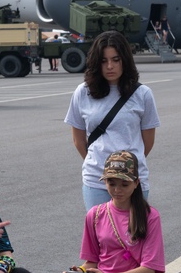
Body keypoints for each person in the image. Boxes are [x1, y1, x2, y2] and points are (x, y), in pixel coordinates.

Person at [65, 151, 165, 273]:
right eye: (111, 183)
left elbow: (150, 268)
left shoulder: (149, 215)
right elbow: (92, 261)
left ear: (136, 183)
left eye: (124, 184)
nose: (117, 190)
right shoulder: (95, 214)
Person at [66, 30, 160, 210]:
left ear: (125, 60)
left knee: (132, 236)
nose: (110, 66)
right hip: (96, 180)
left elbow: (148, 142)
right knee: (100, 236)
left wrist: (125, 166)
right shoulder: (83, 92)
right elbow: (78, 140)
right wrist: (100, 165)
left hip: (132, 181)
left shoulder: (142, 94)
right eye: (104, 61)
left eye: (116, 60)